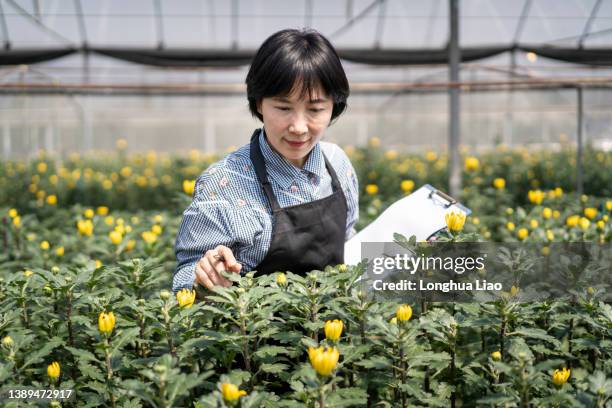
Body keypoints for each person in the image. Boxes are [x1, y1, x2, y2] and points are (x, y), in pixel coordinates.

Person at [173, 28, 359, 293]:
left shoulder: (338, 164)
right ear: (259, 103)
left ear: (334, 106)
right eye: (283, 108)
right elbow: (184, 276)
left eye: (315, 109)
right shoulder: (223, 184)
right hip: (254, 332)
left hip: (337, 331)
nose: (299, 127)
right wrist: (202, 276)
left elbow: (348, 239)